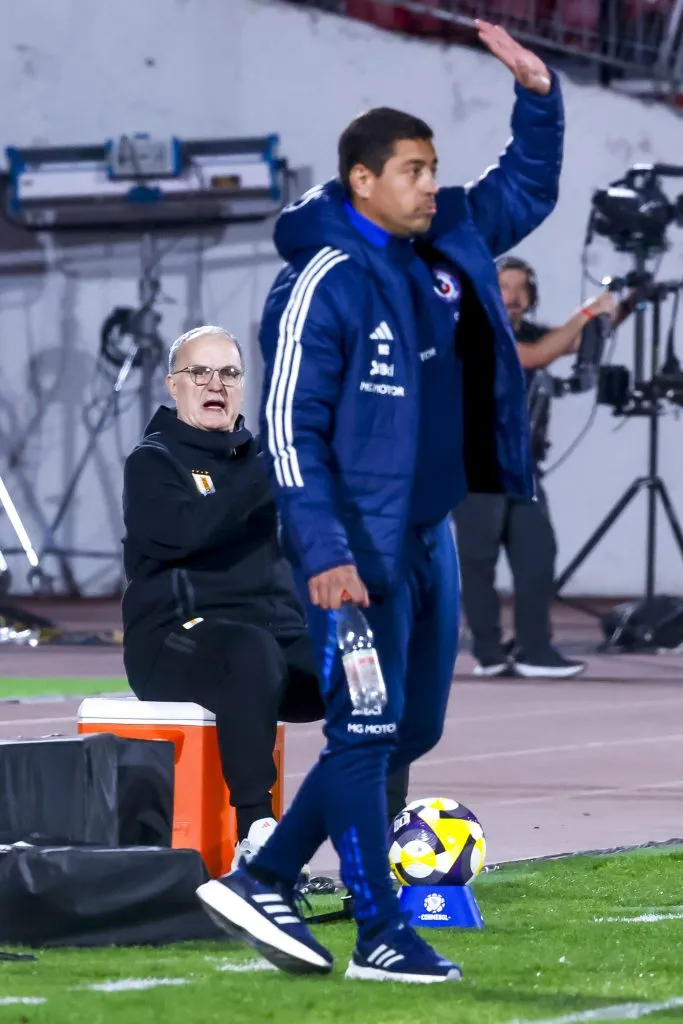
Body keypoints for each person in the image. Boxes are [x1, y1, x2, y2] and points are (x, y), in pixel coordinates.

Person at [196, 21, 564, 983]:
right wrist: (322, 552)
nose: (430, 185)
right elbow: (288, 429)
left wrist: (537, 97)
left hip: (424, 534)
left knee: (411, 728)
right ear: (361, 180)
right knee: (362, 731)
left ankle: (265, 877)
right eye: (412, 171)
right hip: (351, 547)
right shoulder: (321, 279)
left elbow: (526, 189)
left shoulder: (441, 244)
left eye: (433, 168)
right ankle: (379, 932)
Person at [121, 325, 324, 863]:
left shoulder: (265, 463)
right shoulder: (153, 461)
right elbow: (181, 533)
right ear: (173, 384)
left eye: (230, 373)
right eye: (200, 372)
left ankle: (377, 829)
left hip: (273, 643)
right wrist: (268, 471)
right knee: (250, 650)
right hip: (174, 642)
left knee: (366, 664)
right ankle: (255, 834)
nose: (216, 384)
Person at [453, 257, 614, 679]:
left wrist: (621, 302)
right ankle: (489, 653)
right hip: (476, 466)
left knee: (537, 555)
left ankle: (534, 649)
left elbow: (573, 341)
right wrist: (587, 312)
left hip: (521, 467)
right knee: (479, 562)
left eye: (523, 287)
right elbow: (540, 355)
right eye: (506, 286)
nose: (515, 296)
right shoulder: (475, 331)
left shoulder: (528, 331)